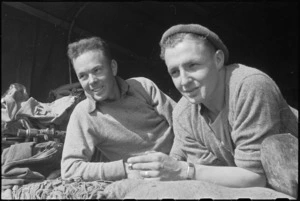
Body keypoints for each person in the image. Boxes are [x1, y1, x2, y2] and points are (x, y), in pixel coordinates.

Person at [127, 24, 298, 196]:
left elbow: (255, 176)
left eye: (192, 65)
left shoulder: (248, 85)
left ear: (218, 60)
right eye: (175, 72)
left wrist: (183, 170)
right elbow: (215, 175)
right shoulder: (183, 115)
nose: (184, 81)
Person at [61, 37, 176, 182]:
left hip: (182, 159)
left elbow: (183, 123)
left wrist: (176, 161)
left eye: (97, 70)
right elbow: (69, 169)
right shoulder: (84, 114)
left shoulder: (143, 86)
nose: (92, 81)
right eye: (83, 76)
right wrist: (124, 169)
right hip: (150, 178)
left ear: (113, 68)